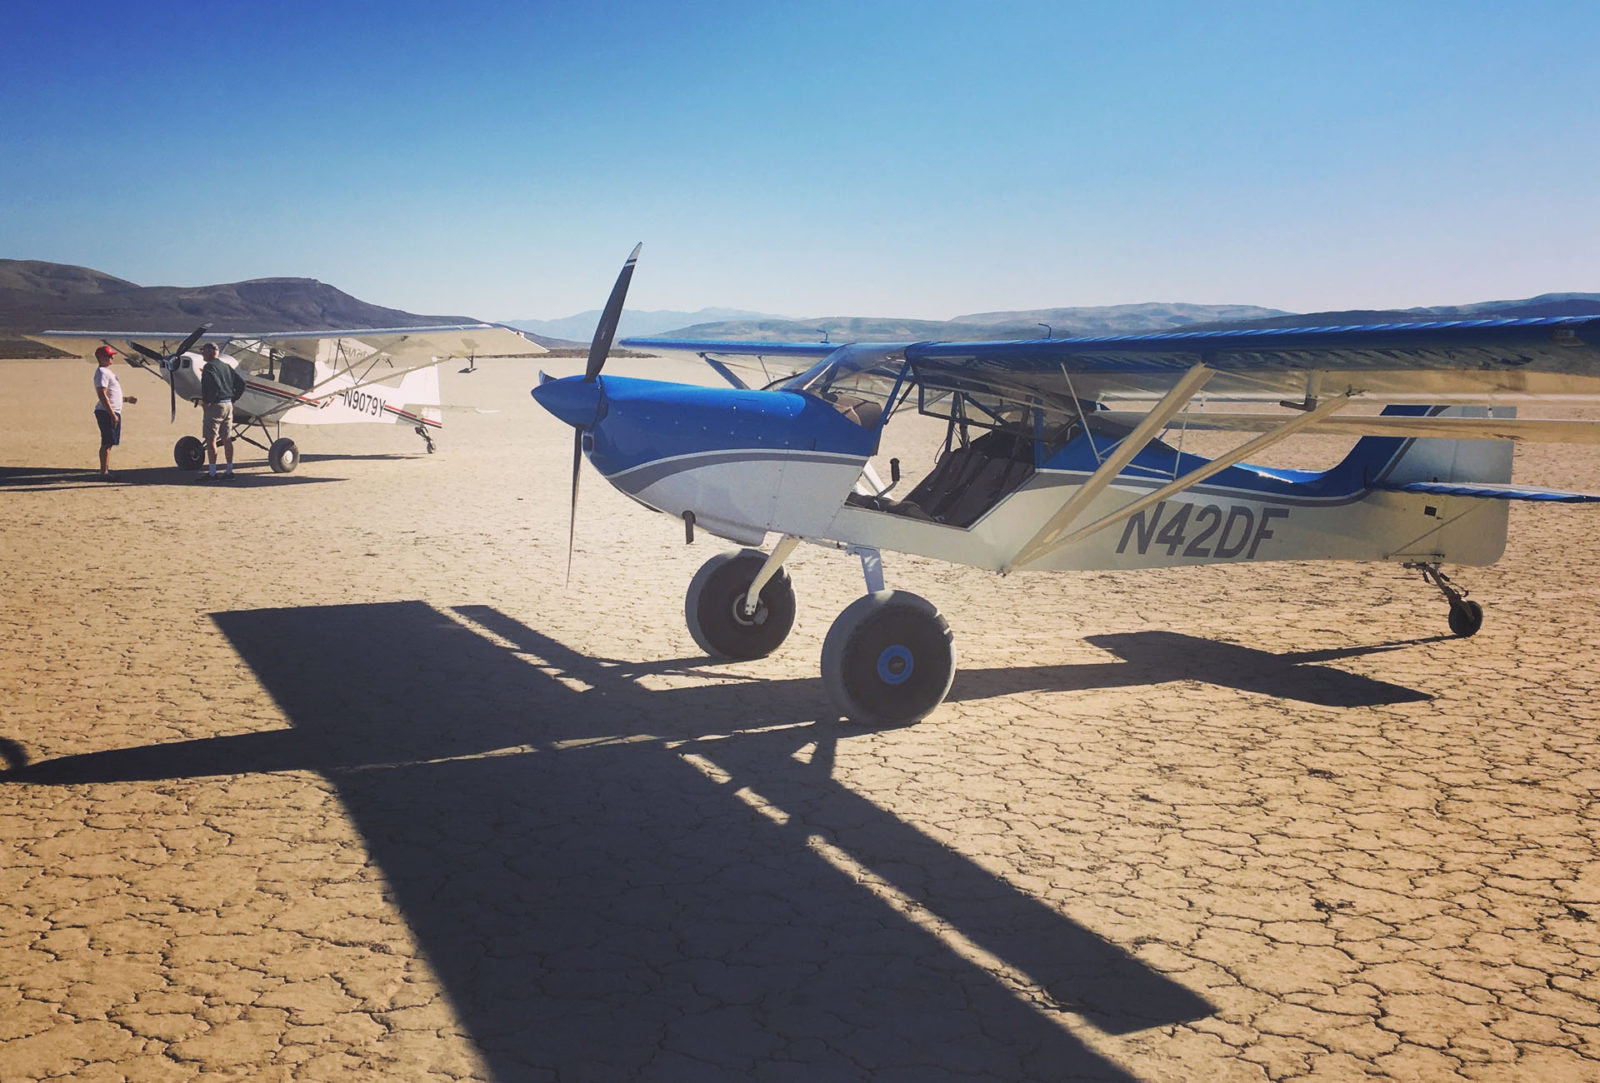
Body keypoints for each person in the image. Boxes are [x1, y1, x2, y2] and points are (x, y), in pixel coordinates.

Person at [197, 342, 243, 480]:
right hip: (228, 404)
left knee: (211, 439)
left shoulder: (209, 367)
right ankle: (229, 471)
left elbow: (210, 385)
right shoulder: (226, 366)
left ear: (212, 352)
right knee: (227, 438)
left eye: (204, 351)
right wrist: (234, 399)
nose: (202, 354)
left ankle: (212, 473)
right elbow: (241, 384)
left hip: (216, 406)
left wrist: (207, 402)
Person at [92, 345, 136, 478]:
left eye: (112, 356)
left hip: (112, 411)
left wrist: (126, 399)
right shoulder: (101, 372)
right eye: (109, 356)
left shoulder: (107, 372)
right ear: (101, 358)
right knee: (107, 442)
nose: (111, 358)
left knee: (110, 442)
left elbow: (112, 395)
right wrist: (111, 414)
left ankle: (105, 470)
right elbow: (102, 394)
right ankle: (103, 472)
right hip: (107, 412)